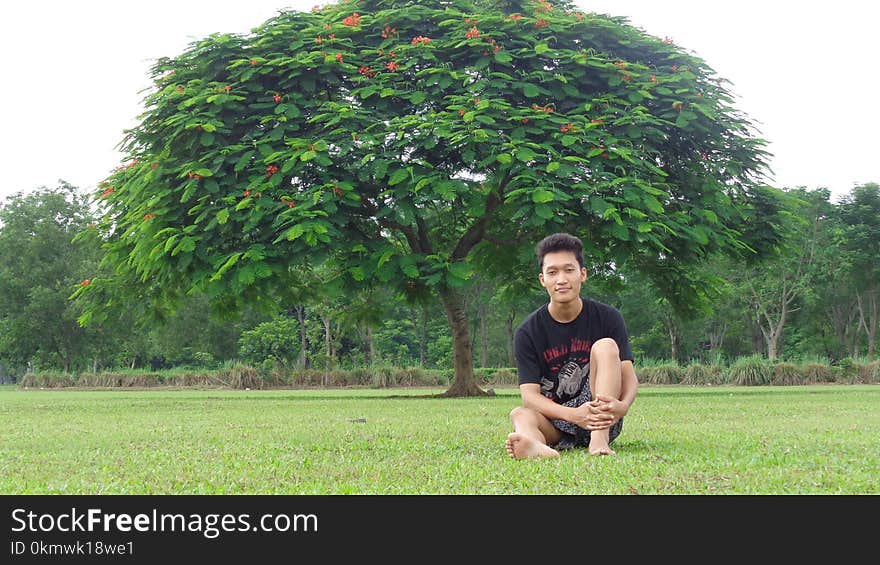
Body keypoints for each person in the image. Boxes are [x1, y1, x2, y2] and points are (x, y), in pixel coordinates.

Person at [505, 232, 639, 458]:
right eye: (552, 272)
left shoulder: (607, 317)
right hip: (558, 420)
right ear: (542, 279)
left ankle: (598, 439)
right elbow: (530, 396)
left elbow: (628, 374)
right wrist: (574, 415)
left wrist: (623, 406)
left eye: (569, 270)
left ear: (582, 274)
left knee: (605, 346)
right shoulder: (527, 332)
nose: (561, 280)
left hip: (602, 416)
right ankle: (536, 446)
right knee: (520, 414)